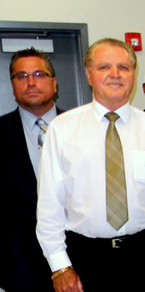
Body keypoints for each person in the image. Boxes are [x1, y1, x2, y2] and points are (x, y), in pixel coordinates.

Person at [36, 38, 145, 292]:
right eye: (104, 67)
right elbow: (50, 206)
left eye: (123, 67)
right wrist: (60, 266)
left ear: (133, 76)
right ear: (89, 75)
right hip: (84, 259)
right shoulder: (62, 129)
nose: (115, 74)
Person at [0, 47, 62, 292]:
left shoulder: (82, 130)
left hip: (79, 264)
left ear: (54, 83)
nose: (31, 82)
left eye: (39, 74)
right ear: (12, 84)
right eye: (22, 76)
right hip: (18, 268)